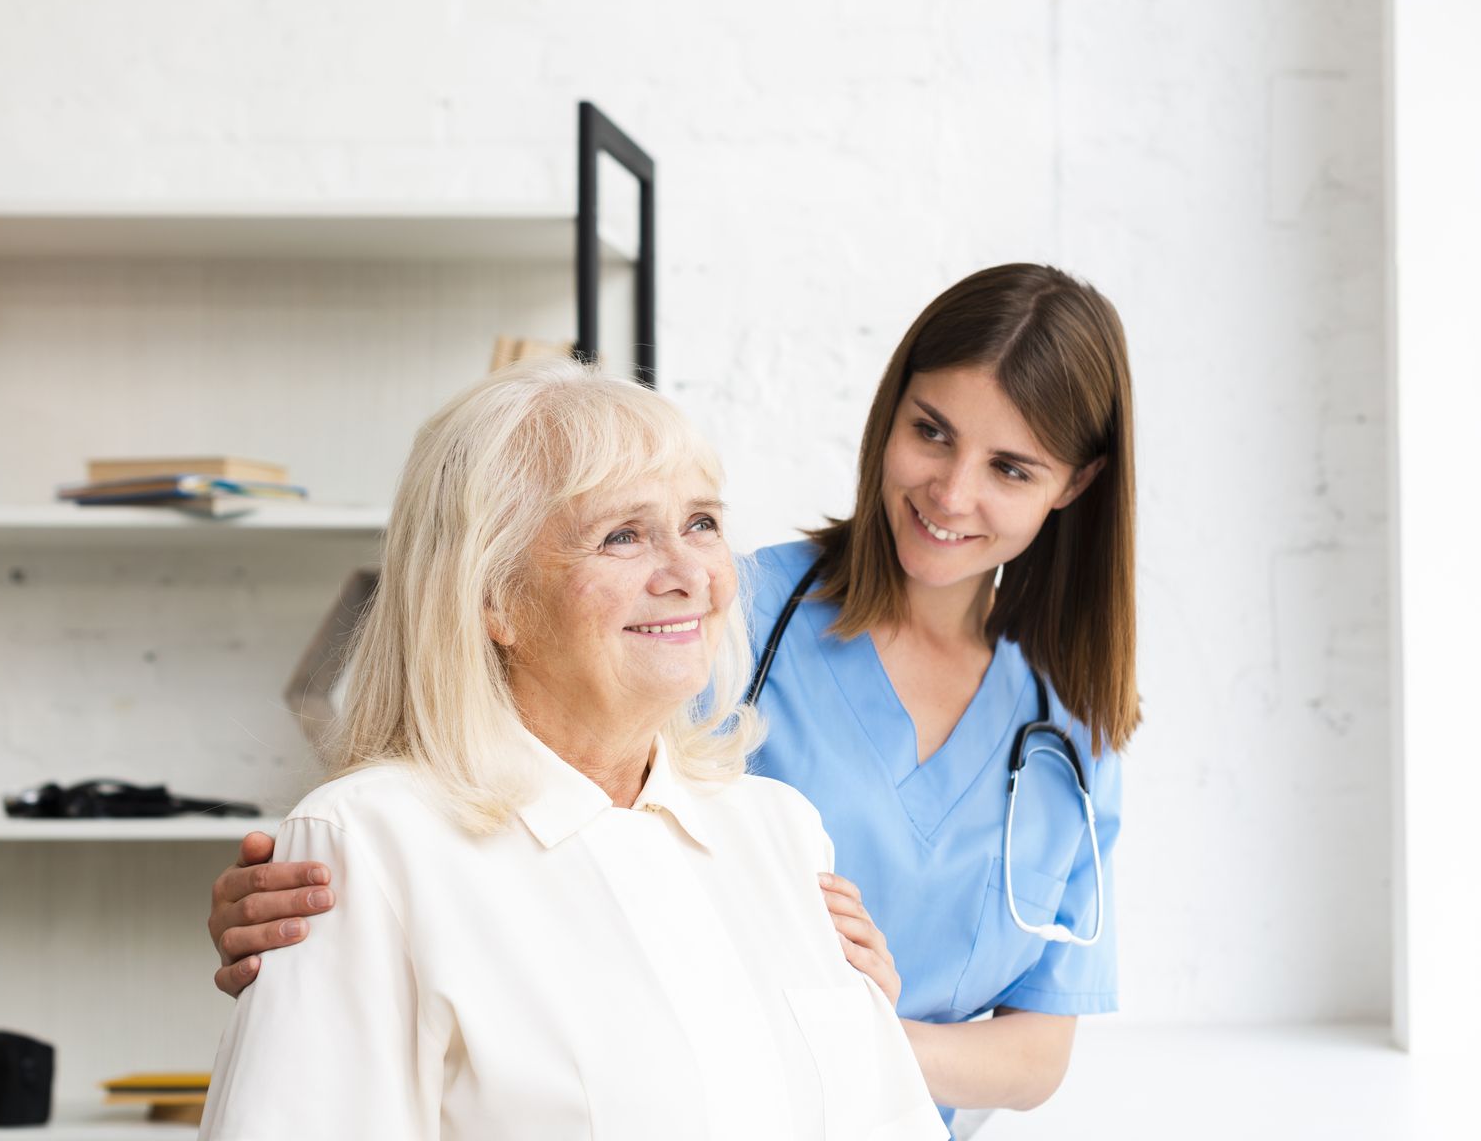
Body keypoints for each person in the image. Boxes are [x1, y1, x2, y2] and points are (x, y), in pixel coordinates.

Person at [208, 264, 1136, 1135]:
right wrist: (349, 891)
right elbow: (482, 759)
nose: (952, 489)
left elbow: (1038, 1045)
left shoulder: (1045, 728)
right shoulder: (718, 613)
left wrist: (845, 1023)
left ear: (1075, 484)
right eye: (931, 430)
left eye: (1011, 468)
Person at [198, 362, 947, 1140]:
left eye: (702, 523)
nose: (690, 574)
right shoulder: (369, 845)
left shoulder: (781, 832)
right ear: (493, 598)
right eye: (622, 535)